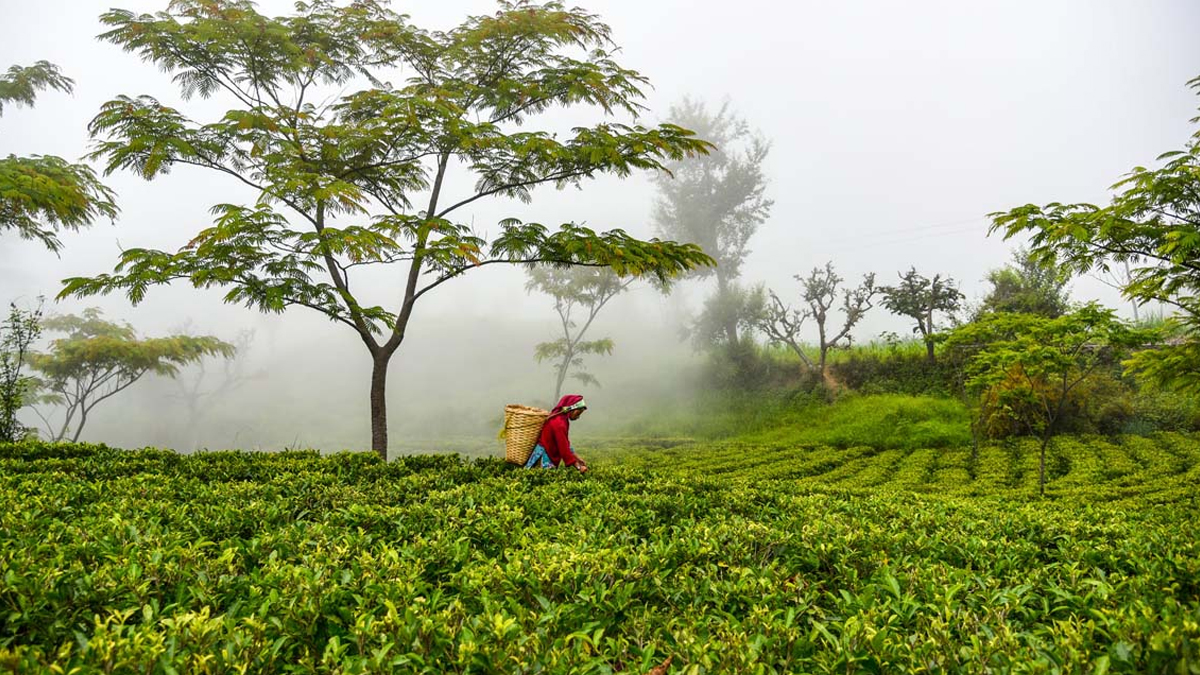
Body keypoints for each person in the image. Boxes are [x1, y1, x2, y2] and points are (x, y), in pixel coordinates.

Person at [523, 394, 589, 472]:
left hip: (544, 453)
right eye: (577, 413)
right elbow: (564, 447)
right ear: (570, 409)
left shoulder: (560, 419)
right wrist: (578, 467)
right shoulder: (559, 423)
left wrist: (577, 458)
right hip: (544, 455)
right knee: (541, 479)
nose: (578, 417)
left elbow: (565, 442)